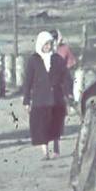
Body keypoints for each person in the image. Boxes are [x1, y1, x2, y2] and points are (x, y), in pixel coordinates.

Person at [22, 30, 69, 159]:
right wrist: (26, 100)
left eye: (50, 44)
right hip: (40, 99)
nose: (48, 47)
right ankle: (45, 152)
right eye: (45, 44)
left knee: (55, 124)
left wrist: (67, 95)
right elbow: (28, 81)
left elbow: (65, 78)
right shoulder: (33, 60)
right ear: (40, 44)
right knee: (41, 126)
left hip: (56, 99)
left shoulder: (57, 59)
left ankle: (56, 150)